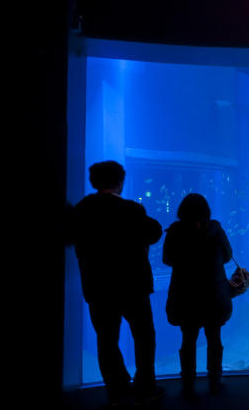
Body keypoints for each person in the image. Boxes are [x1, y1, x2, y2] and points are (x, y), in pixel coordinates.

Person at [68, 160, 164, 407]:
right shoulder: (132, 210)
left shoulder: (82, 211)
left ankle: (118, 390)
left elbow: (68, 236)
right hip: (134, 287)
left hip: (98, 288)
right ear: (121, 181)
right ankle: (145, 388)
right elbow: (154, 232)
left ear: (93, 182)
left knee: (106, 339)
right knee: (144, 337)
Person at [163, 193, 233, 397]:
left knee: (188, 340)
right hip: (213, 294)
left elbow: (167, 259)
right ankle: (215, 381)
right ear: (206, 211)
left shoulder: (175, 231)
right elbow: (228, 256)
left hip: (185, 295)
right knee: (214, 339)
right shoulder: (216, 230)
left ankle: (188, 383)